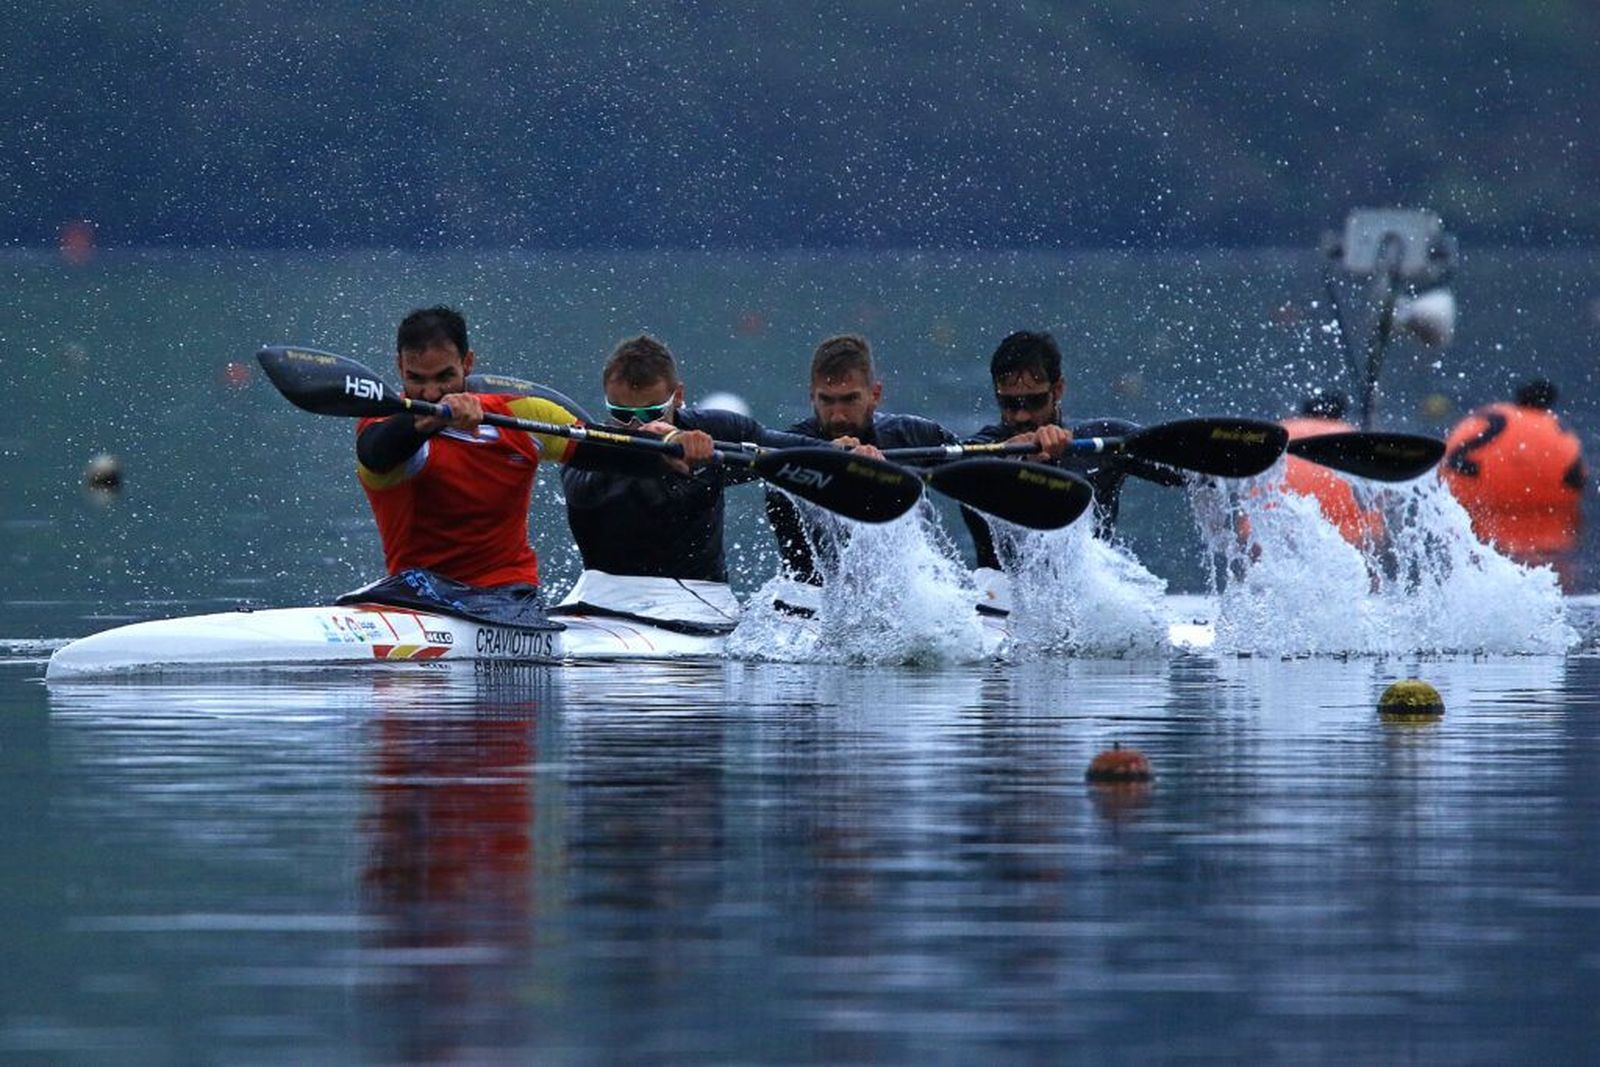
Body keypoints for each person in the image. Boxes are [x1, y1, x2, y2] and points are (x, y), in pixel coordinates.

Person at [350, 306, 689, 618]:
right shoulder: (383, 424)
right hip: (416, 593)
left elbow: (605, 451)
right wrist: (437, 419)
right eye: (416, 380)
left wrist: (669, 448)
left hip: (506, 596)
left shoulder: (522, 414)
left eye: (444, 377)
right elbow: (376, 454)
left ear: (468, 364)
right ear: (399, 368)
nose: (430, 393)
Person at [561, 334, 813, 585]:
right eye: (621, 414)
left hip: (699, 594)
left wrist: (835, 448)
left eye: (650, 413)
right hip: (604, 594)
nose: (635, 425)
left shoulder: (716, 429)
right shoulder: (588, 445)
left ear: (678, 396)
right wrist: (655, 457)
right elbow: (580, 492)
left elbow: (788, 448)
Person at [960, 330, 1183, 571]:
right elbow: (954, 467)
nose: (1021, 415)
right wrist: (1012, 459)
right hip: (1001, 599)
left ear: (1057, 390)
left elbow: (1187, 468)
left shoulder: (1103, 440)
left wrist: (1224, 495)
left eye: (1033, 402)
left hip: (1091, 602)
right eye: (1010, 404)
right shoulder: (979, 451)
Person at [762, 334, 963, 583]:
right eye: (826, 400)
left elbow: (980, 470)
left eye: (850, 400)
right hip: (807, 599)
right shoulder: (788, 446)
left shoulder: (914, 434)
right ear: (812, 396)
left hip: (903, 597)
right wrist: (831, 460)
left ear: (875, 394)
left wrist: (1016, 450)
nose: (838, 417)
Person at [1442, 377, 1587, 577]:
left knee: (1478, 563)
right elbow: (1577, 478)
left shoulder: (1489, 417)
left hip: (1476, 517)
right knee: (1546, 571)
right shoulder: (1555, 430)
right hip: (1547, 526)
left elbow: (1450, 461)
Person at [1277, 389, 1383, 547]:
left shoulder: (1280, 431)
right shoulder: (1352, 436)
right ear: (1340, 414)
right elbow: (1375, 496)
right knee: (1378, 518)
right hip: (1345, 537)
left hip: (1274, 532)